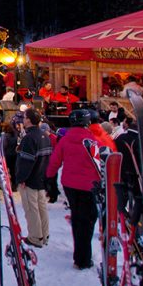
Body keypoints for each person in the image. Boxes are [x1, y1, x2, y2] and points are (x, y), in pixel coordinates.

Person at [46, 108, 100, 270]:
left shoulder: (65, 140)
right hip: (88, 185)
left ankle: (79, 253)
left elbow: (55, 161)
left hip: (69, 184)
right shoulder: (91, 140)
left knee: (77, 217)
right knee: (89, 218)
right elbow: (99, 161)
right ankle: (83, 257)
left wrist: (49, 177)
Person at [15, 109, 52, 248]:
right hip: (41, 177)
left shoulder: (29, 138)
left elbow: (26, 161)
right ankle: (44, 234)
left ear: (29, 120)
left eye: (24, 117)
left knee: (32, 209)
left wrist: (21, 178)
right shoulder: (45, 136)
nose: (23, 120)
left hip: (30, 179)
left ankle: (35, 237)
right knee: (42, 207)